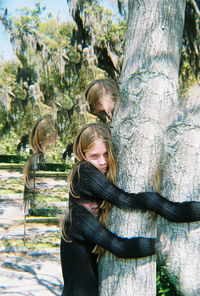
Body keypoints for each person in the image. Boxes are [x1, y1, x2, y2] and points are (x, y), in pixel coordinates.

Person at [60, 123, 200, 296]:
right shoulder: (84, 173)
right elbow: (120, 243)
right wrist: (157, 244)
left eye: (106, 154)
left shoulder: (79, 209)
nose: (103, 162)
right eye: (94, 156)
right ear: (82, 155)